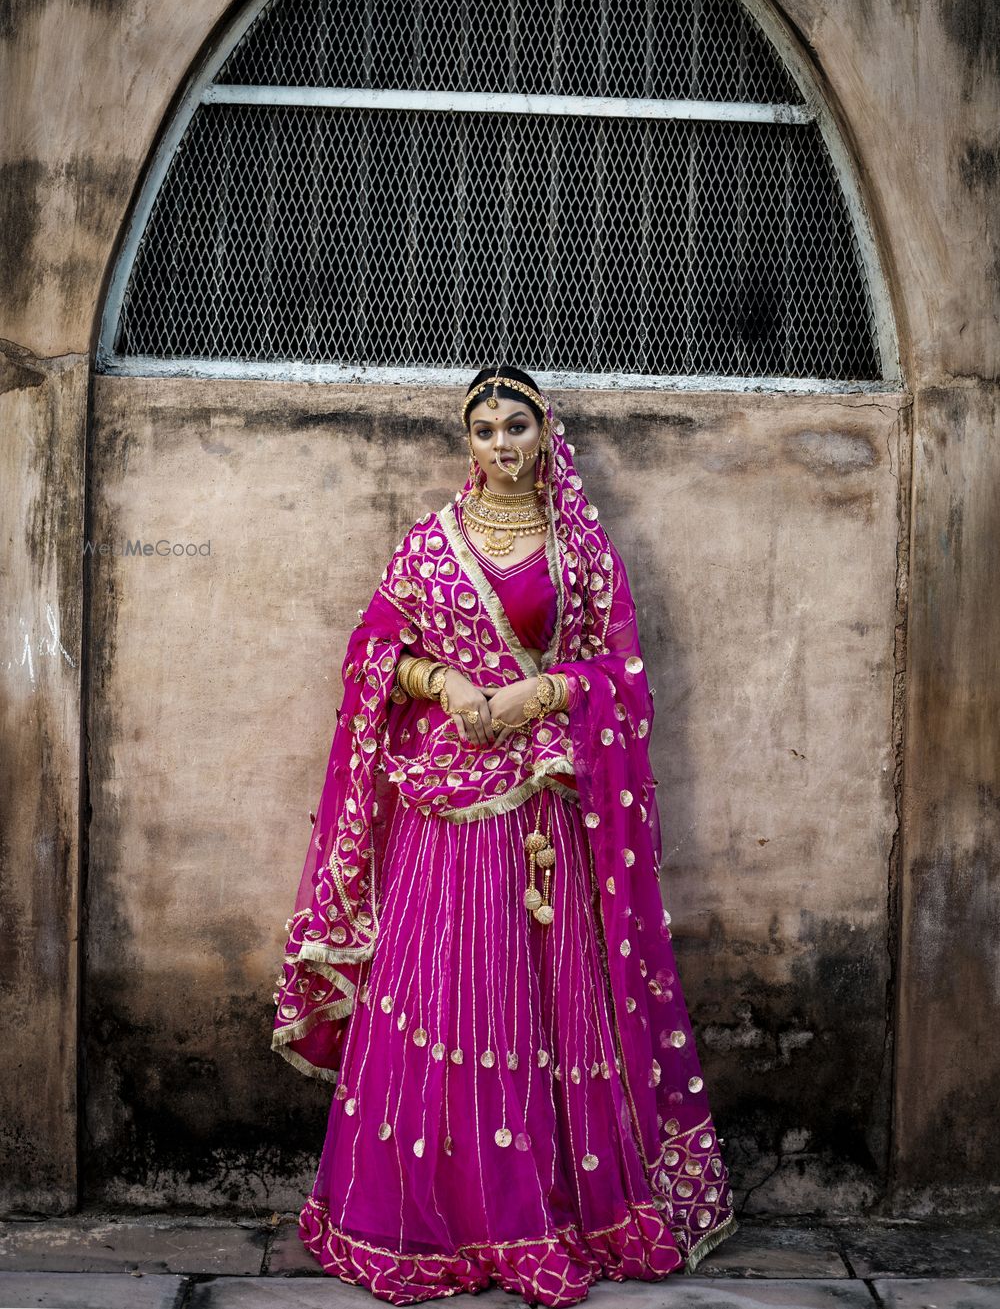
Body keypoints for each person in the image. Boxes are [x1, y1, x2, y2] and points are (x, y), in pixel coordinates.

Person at [271, 367, 738, 1306]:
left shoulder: (584, 553)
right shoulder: (432, 547)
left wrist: (541, 690)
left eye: (515, 424)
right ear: (468, 442)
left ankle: (556, 1213)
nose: (500, 443)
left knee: (547, 1000)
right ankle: (438, 1213)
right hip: (447, 809)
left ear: (543, 433)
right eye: (483, 428)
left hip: (550, 808)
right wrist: (442, 684)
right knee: (454, 993)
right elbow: (371, 651)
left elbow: (623, 672)